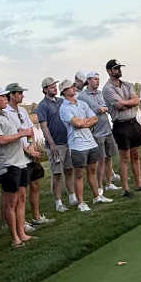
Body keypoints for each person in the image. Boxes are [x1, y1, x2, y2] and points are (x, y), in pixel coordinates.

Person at [0, 86, 33, 247]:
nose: (5, 98)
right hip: (7, 164)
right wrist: (21, 134)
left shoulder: (3, 114)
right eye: (3, 96)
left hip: (19, 161)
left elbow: (11, 133)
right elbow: (1, 140)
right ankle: (15, 238)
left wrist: (19, 132)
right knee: (11, 201)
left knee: (21, 197)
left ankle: (22, 233)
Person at [3, 84, 51, 228]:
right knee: (19, 192)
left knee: (35, 184)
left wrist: (31, 146)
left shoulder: (23, 110)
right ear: (11, 95)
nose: (23, 95)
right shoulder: (5, 112)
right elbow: (12, 135)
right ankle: (21, 223)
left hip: (30, 154)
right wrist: (26, 150)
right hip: (17, 157)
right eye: (20, 93)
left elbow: (30, 131)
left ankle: (36, 217)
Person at [58, 80, 110, 211]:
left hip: (90, 141)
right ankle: (81, 203)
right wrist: (85, 122)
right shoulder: (64, 108)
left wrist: (83, 122)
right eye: (70, 87)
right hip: (77, 144)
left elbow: (95, 118)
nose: (73, 88)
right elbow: (76, 123)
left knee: (91, 170)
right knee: (79, 174)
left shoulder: (82, 103)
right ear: (64, 91)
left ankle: (96, 197)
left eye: (73, 86)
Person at [102, 60, 141, 198]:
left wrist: (126, 102)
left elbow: (136, 101)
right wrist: (129, 102)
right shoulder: (107, 88)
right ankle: (126, 189)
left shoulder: (127, 85)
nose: (119, 70)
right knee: (125, 158)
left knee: (135, 155)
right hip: (120, 124)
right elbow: (119, 106)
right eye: (116, 68)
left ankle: (139, 184)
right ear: (109, 71)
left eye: (119, 68)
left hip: (133, 122)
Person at [34, 78, 76, 212]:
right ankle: (58, 203)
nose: (54, 88)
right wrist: (52, 144)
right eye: (51, 87)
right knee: (57, 174)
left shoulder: (62, 101)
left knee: (69, 170)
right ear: (45, 89)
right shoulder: (42, 106)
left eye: (55, 86)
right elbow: (44, 127)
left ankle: (72, 197)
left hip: (68, 141)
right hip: (55, 144)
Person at [79, 71, 119, 196]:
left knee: (109, 157)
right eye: (95, 79)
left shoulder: (101, 94)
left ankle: (109, 183)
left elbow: (109, 107)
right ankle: (99, 186)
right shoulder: (82, 96)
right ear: (89, 80)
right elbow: (82, 114)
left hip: (107, 129)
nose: (97, 81)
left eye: (98, 79)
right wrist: (96, 111)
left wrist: (104, 109)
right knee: (100, 160)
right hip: (96, 133)